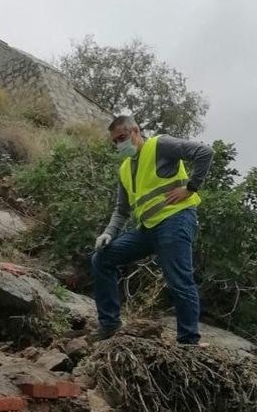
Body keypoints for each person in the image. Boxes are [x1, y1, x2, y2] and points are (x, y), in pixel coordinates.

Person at [90, 115, 213, 346]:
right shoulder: (125, 169)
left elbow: (204, 153)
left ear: (136, 131)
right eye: (115, 141)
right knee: (102, 258)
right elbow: (121, 210)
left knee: (179, 279)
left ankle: (188, 342)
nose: (119, 144)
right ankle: (110, 324)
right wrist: (108, 233)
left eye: (122, 138)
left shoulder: (160, 145)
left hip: (174, 220)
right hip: (147, 230)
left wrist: (191, 187)